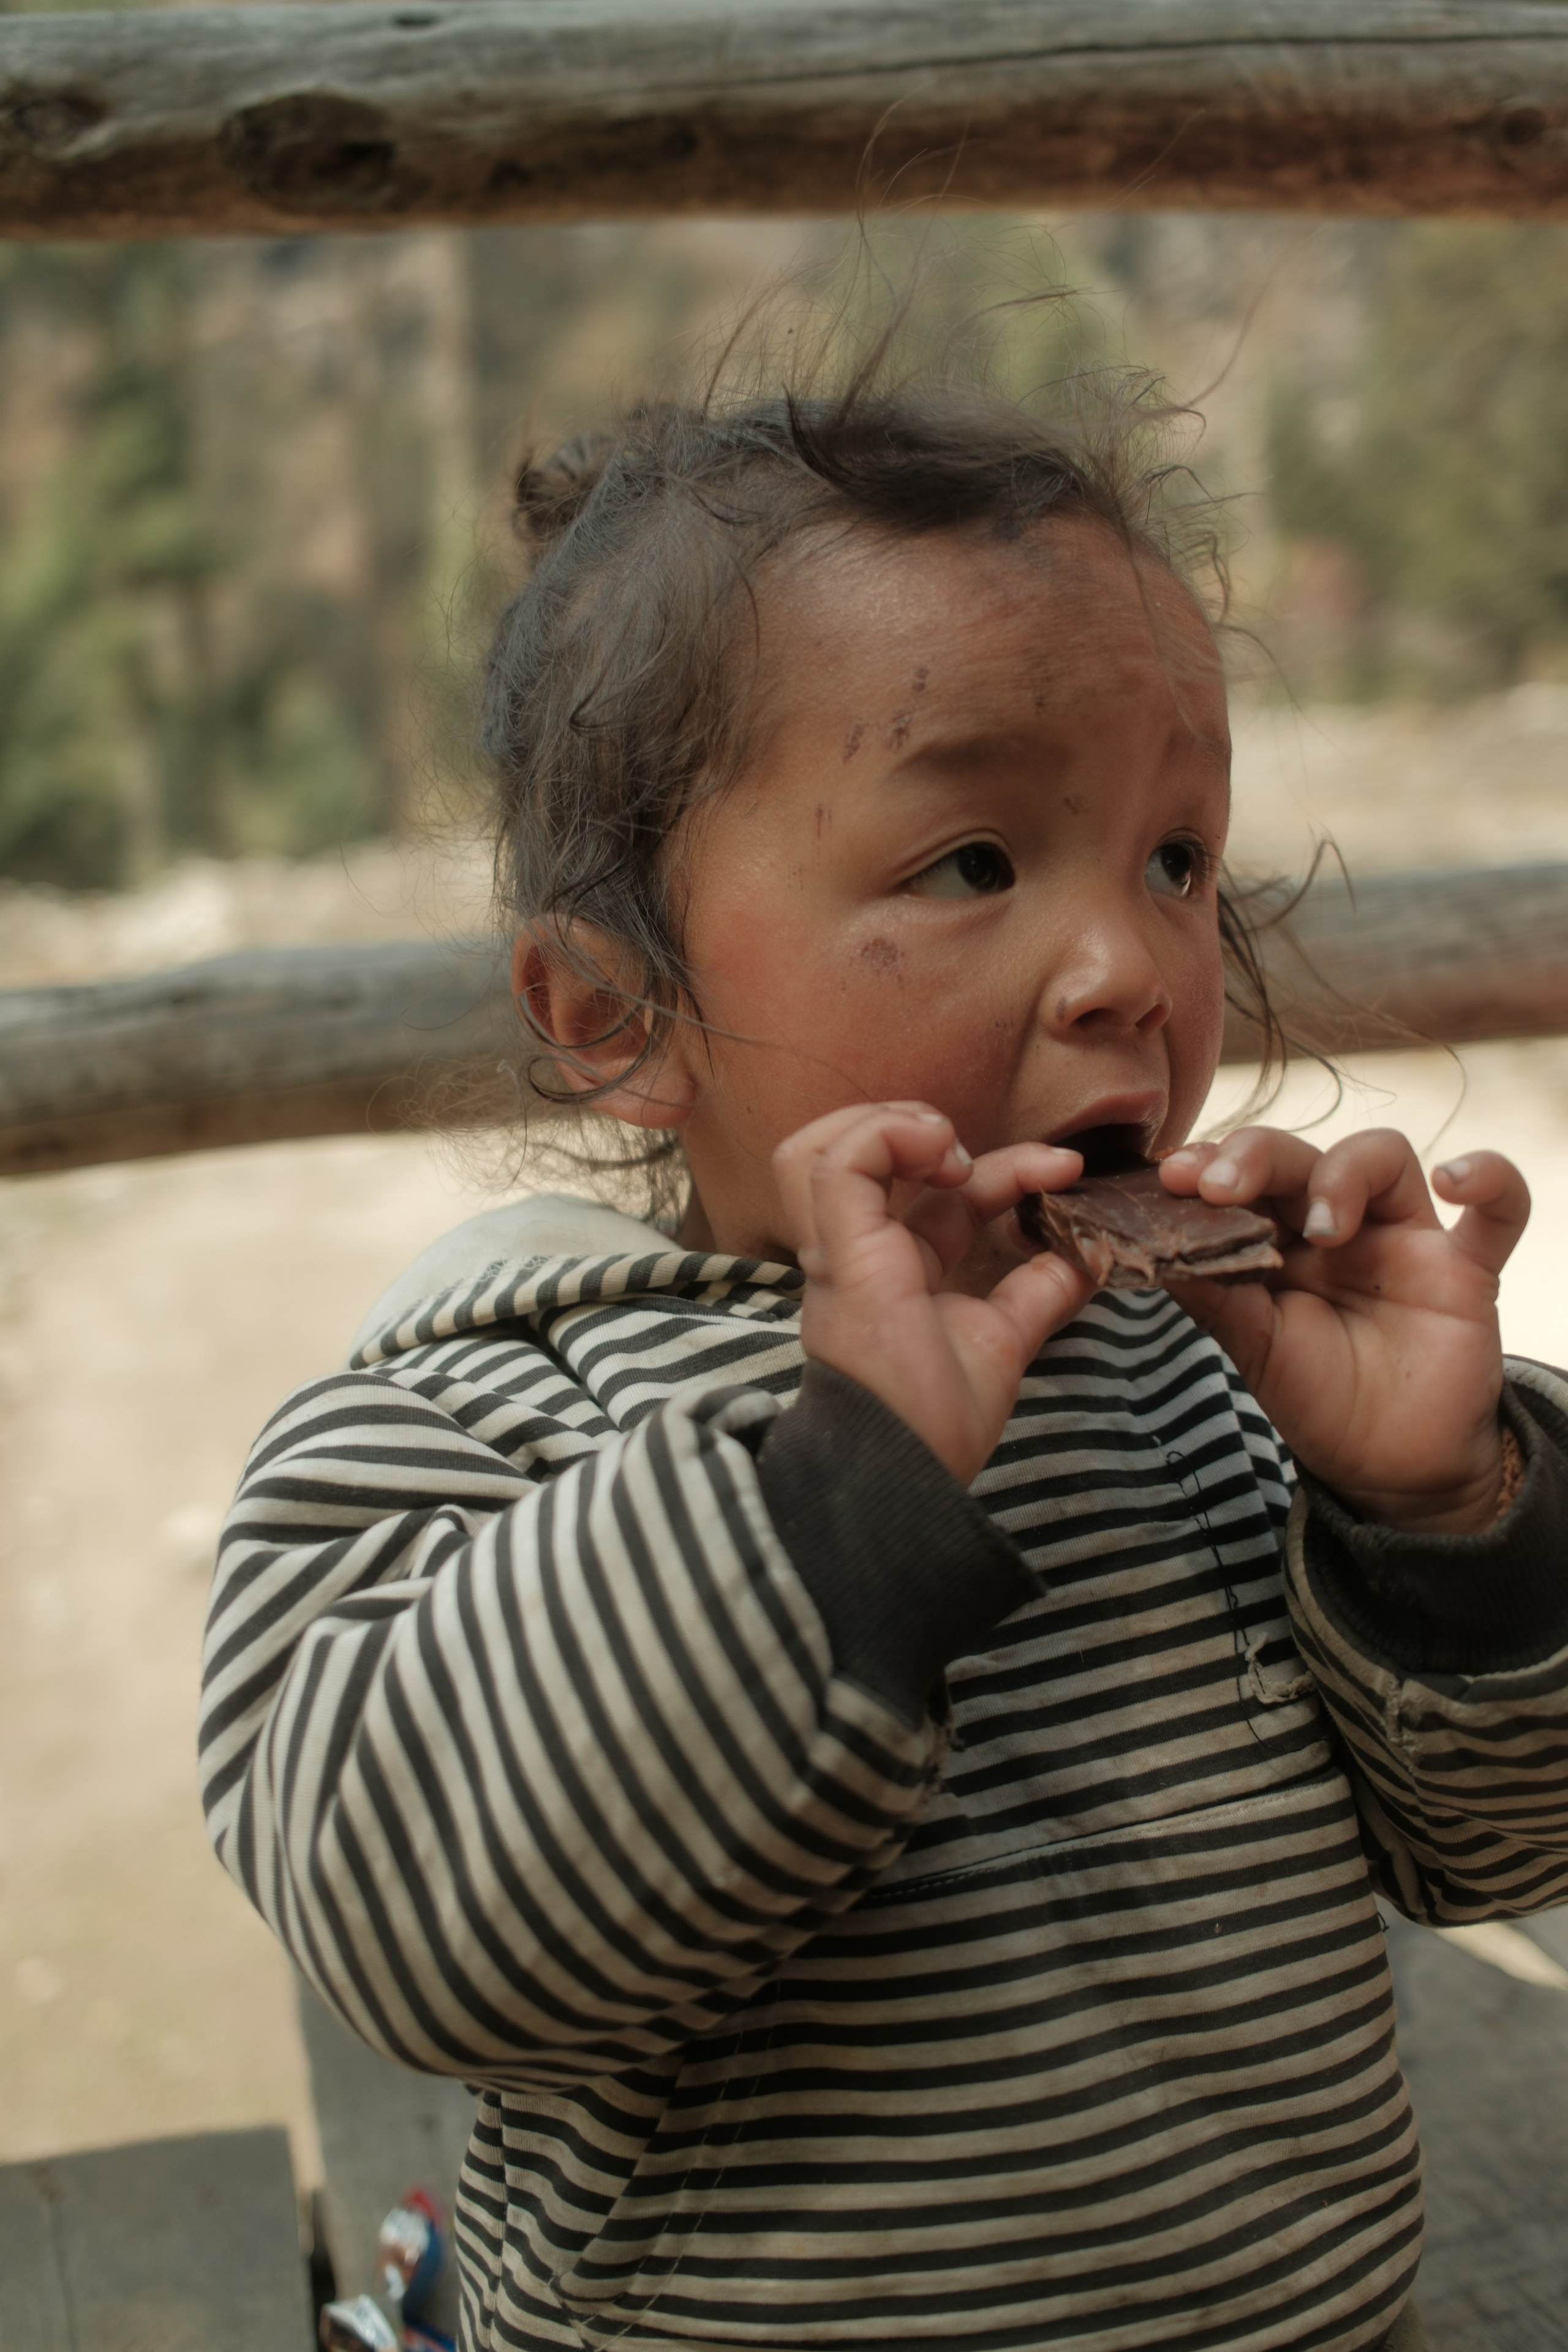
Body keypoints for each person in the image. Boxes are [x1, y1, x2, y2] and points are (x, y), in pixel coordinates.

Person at [200, 363, 1568, 2352]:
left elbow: (1501, 1846)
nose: (1132, 971)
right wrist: (841, 1494)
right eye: (975, 864)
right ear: (614, 1013)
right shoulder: (462, 1422)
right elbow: (423, 1943)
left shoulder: (1198, 1384)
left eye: (1177, 859)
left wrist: (1439, 1507)